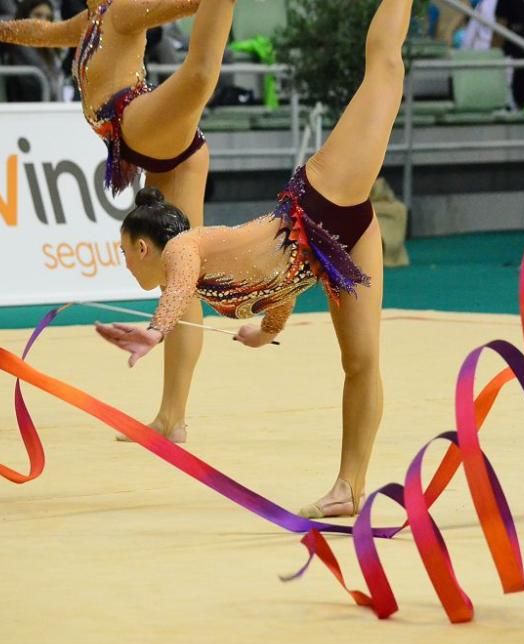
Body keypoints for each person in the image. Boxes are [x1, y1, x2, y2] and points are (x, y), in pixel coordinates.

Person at [95, 0, 414, 519]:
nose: (128, 269)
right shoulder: (214, 283)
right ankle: (348, 487)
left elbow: (176, 288)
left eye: (127, 258)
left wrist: (154, 330)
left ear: (144, 246)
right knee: (361, 362)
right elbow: (283, 287)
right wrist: (266, 331)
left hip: (323, 200)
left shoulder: (185, 249)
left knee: (384, 66)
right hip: (337, 246)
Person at [0, 0, 239, 443]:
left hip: (142, 125)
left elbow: (182, 5)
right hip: (167, 153)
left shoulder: (124, 11)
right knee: (180, 280)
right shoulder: (91, 20)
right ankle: (172, 418)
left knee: (199, 75)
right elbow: (38, 32)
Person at [3, 0, 65, 101]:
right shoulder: (19, 45)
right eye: (38, 15)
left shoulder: (50, 49)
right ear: (25, 17)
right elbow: (43, 86)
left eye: (48, 18)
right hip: (27, 108)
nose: (43, 21)